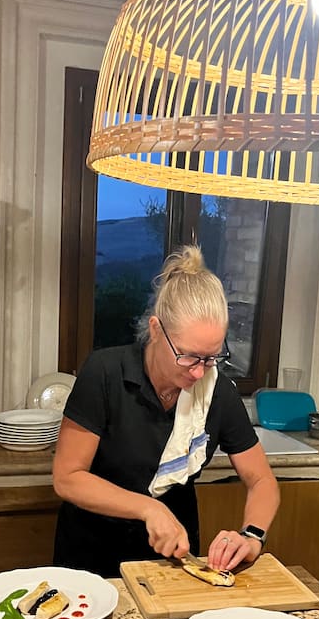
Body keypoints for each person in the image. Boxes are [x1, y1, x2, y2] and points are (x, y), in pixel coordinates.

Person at [52, 245, 280, 578]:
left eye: (212, 357)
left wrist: (252, 536)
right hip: (92, 555)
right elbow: (67, 478)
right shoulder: (105, 373)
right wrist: (148, 507)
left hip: (174, 559)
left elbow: (262, 480)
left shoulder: (216, 392)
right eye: (189, 356)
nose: (200, 372)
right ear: (157, 330)